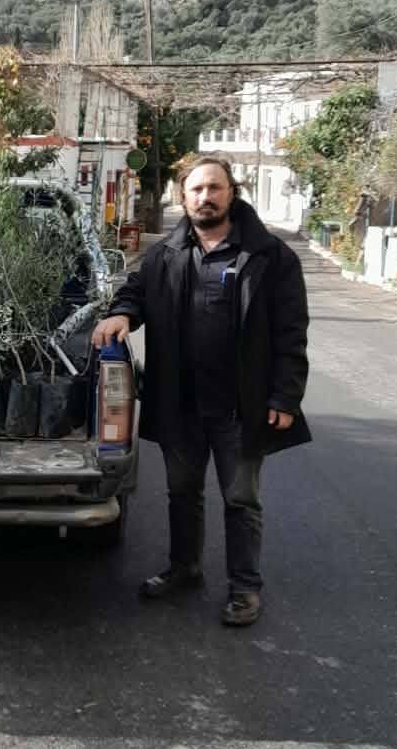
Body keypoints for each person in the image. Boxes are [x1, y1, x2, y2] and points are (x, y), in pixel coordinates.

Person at [92, 155, 310, 627]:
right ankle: (184, 568)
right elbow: (135, 292)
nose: (205, 197)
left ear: (232, 192)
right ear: (183, 196)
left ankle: (245, 588)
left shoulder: (270, 257)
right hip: (180, 402)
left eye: (214, 187)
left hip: (240, 406)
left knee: (241, 499)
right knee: (182, 492)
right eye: (196, 189)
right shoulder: (165, 254)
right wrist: (121, 314)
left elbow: (291, 332)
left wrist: (285, 396)